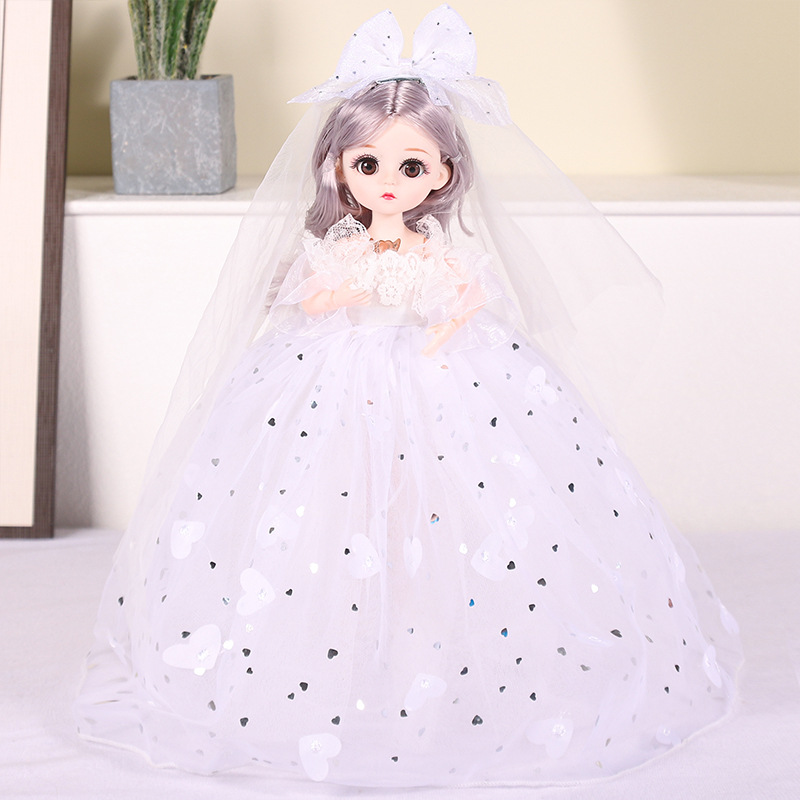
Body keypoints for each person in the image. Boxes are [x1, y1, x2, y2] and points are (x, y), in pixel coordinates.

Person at [76, 6, 740, 786]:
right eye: (368, 164)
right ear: (338, 168)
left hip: (435, 376)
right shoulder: (340, 245)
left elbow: (463, 297)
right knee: (330, 505)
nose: (387, 183)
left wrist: (438, 322)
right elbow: (309, 299)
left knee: (443, 506)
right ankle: (338, 650)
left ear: (444, 175)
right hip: (338, 375)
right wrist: (352, 285)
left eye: (411, 167)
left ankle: (434, 646)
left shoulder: (434, 247)